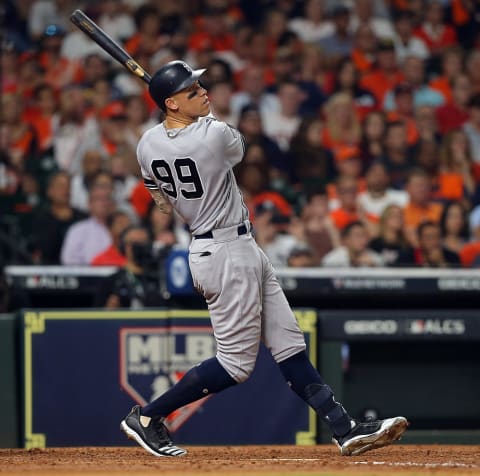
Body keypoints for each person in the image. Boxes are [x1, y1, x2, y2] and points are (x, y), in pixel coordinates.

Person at [119, 60, 408, 458]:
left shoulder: (147, 142)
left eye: (200, 86)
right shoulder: (213, 134)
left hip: (229, 244)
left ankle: (344, 429)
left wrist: (180, 124)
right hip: (225, 253)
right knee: (235, 365)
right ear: (170, 102)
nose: (204, 92)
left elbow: (160, 200)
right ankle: (149, 416)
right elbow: (236, 146)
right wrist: (199, 124)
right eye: (192, 91)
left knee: (289, 344)